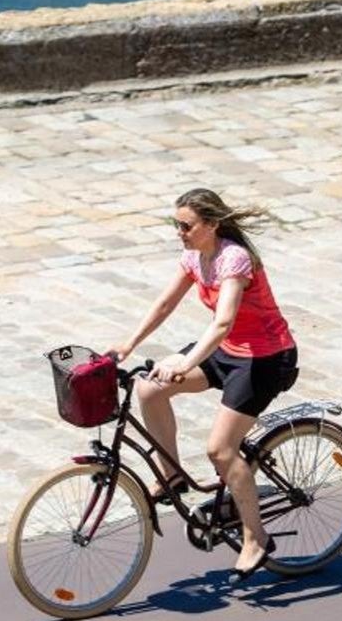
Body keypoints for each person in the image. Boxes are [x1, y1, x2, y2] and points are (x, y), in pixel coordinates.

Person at [108, 188, 298, 583]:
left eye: (186, 226)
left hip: (263, 358)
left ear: (211, 224)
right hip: (226, 350)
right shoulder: (194, 256)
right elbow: (164, 304)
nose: (180, 232)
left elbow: (224, 320)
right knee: (149, 389)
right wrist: (129, 343)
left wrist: (187, 362)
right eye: (176, 225)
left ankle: (255, 538)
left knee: (220, 450)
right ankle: (173, 475)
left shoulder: (235, 258)